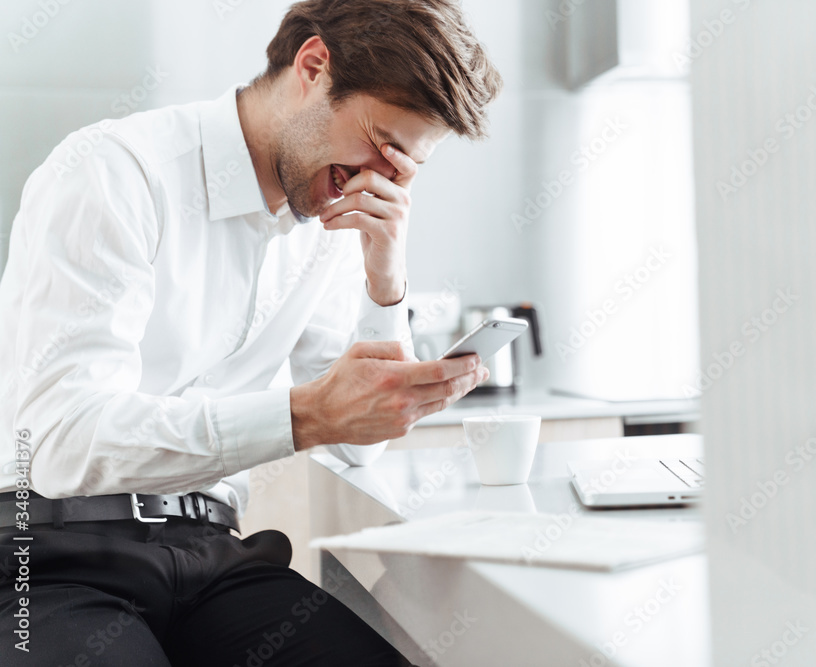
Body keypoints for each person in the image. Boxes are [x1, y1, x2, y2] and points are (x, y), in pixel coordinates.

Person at [0, 0, 501, 664]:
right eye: (381, 146)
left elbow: (358, 451)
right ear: (314, 67)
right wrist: (305, 413)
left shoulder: (325, 229)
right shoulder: (116, 172)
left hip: (213, 557)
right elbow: (62, 440)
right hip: (53, 556)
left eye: (405, 168)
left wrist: (386, 276)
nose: (381, 179)